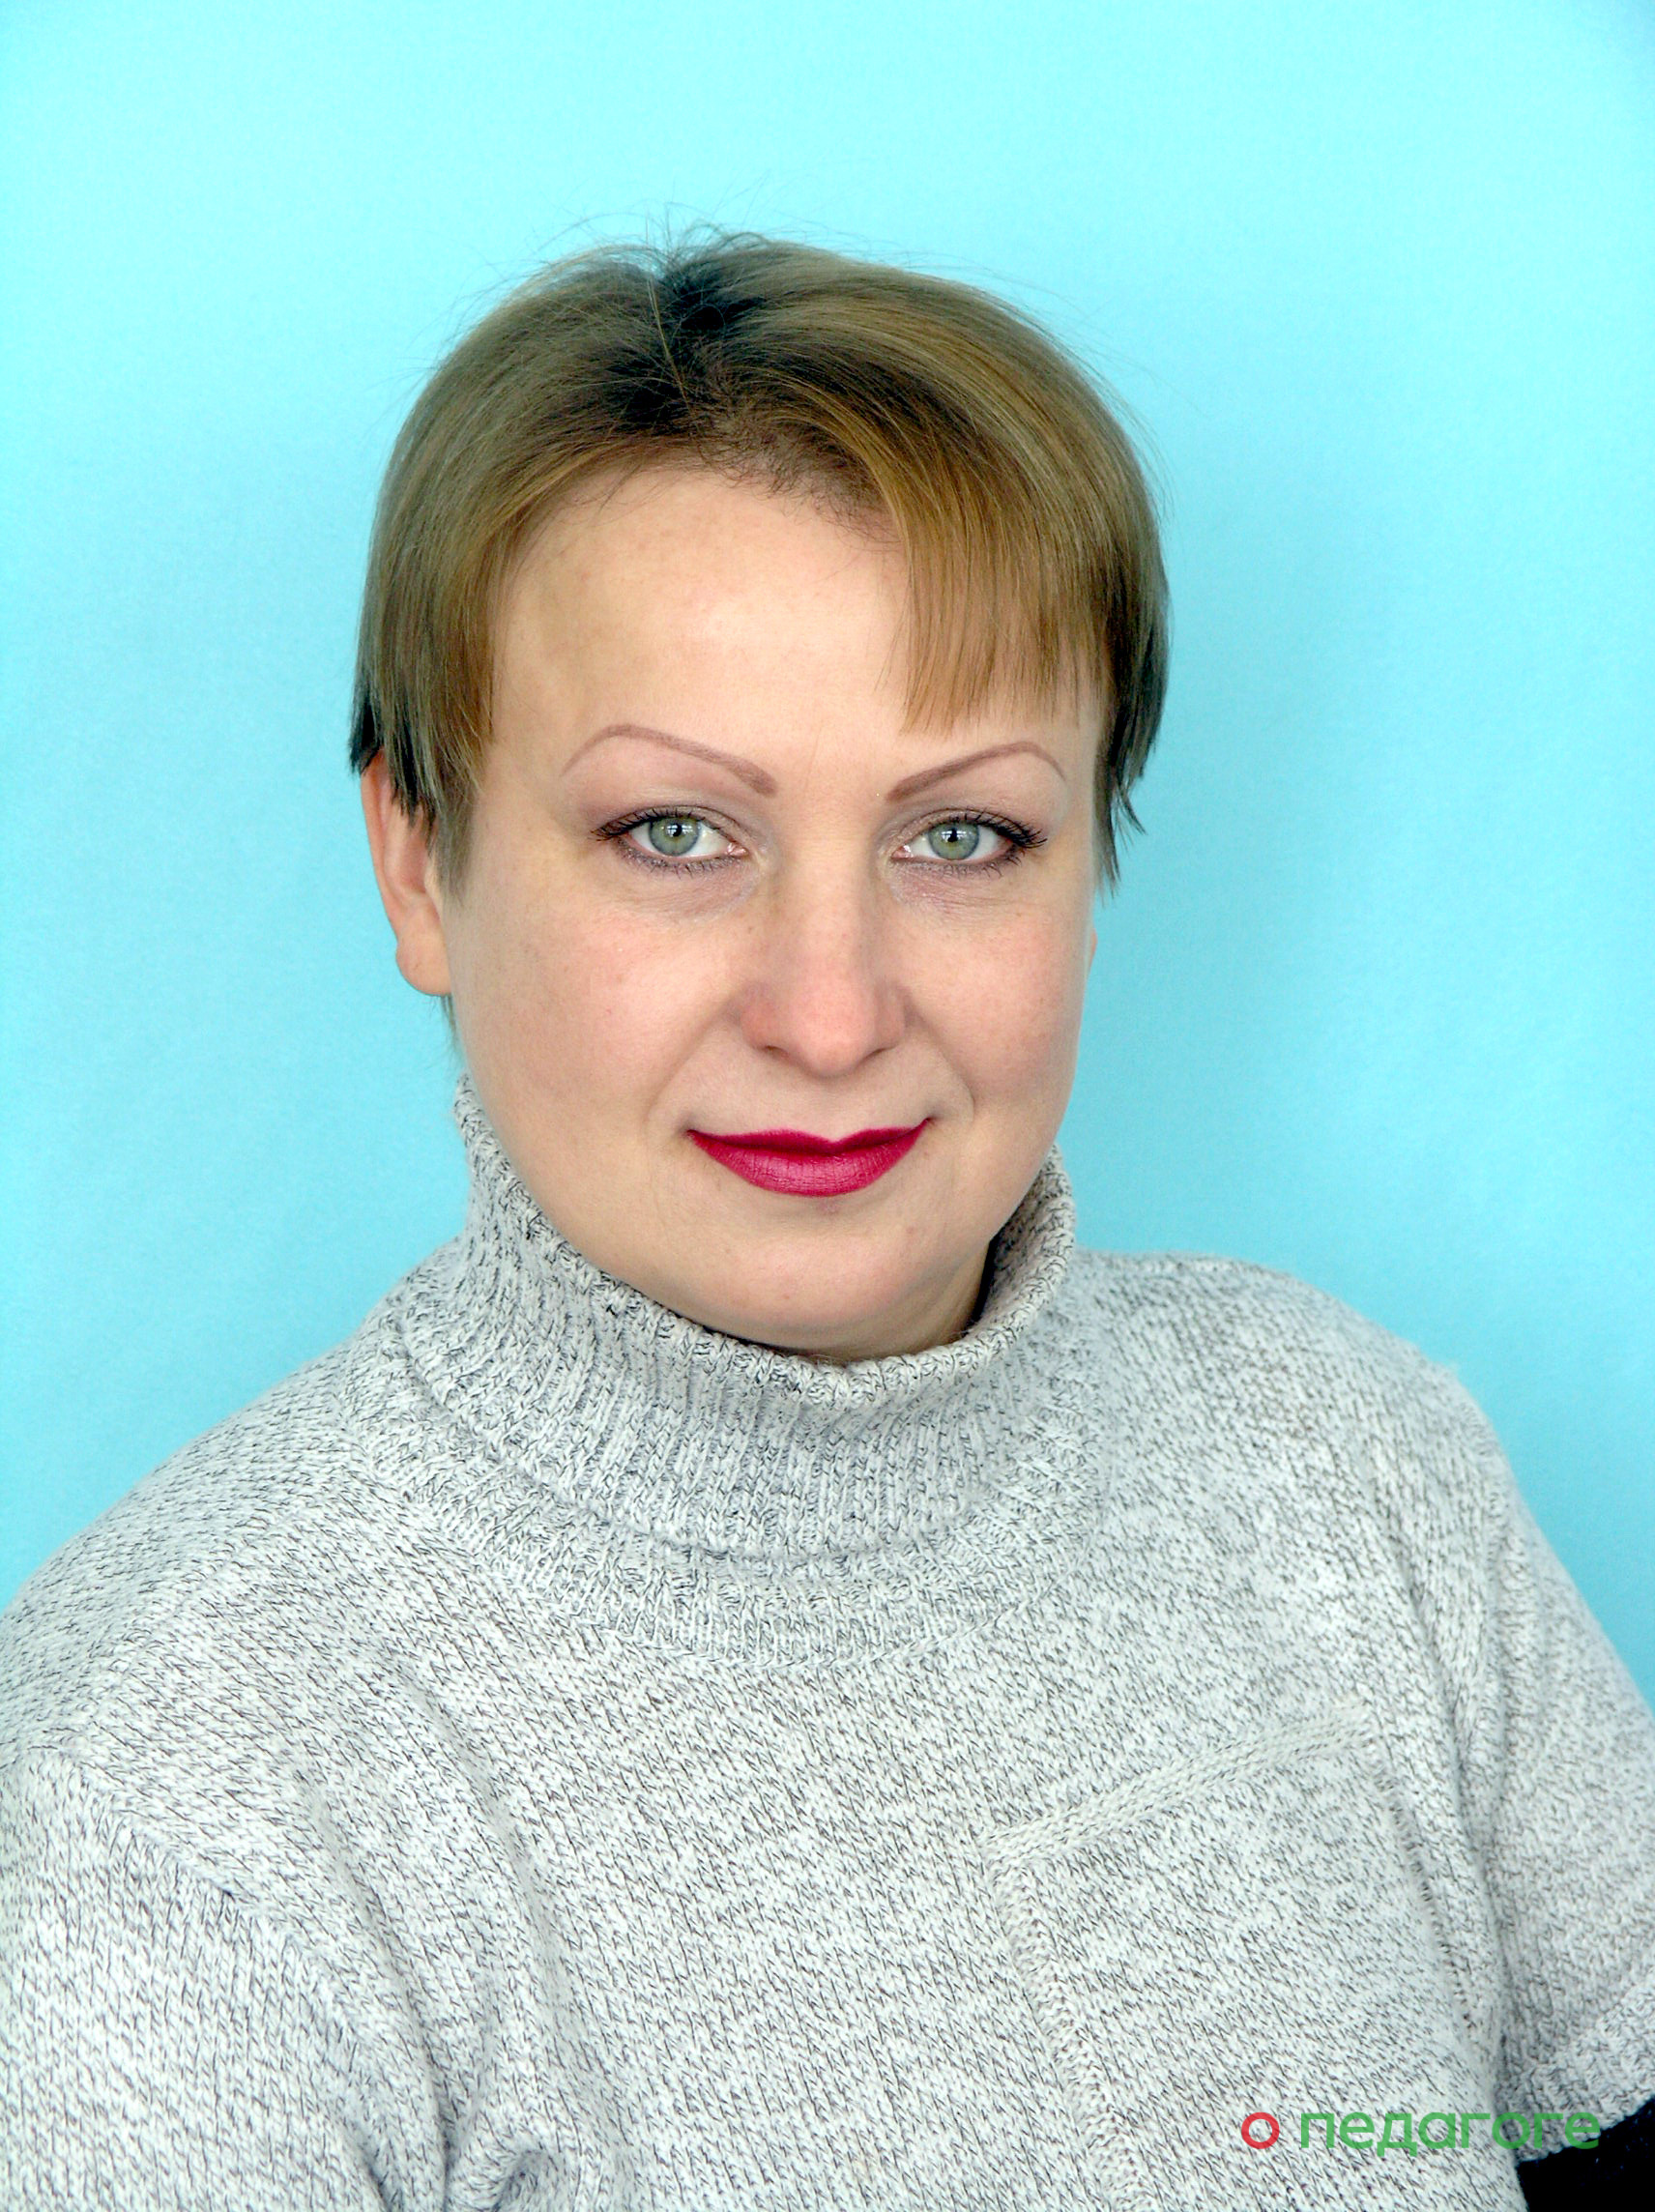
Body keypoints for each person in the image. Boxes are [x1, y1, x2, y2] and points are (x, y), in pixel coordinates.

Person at [2, 233, 1650, 2212]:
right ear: (420, 859)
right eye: (673, 832)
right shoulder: (168, 1765)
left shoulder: (1350, 1460)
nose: (833, 1012)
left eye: (964, 834)